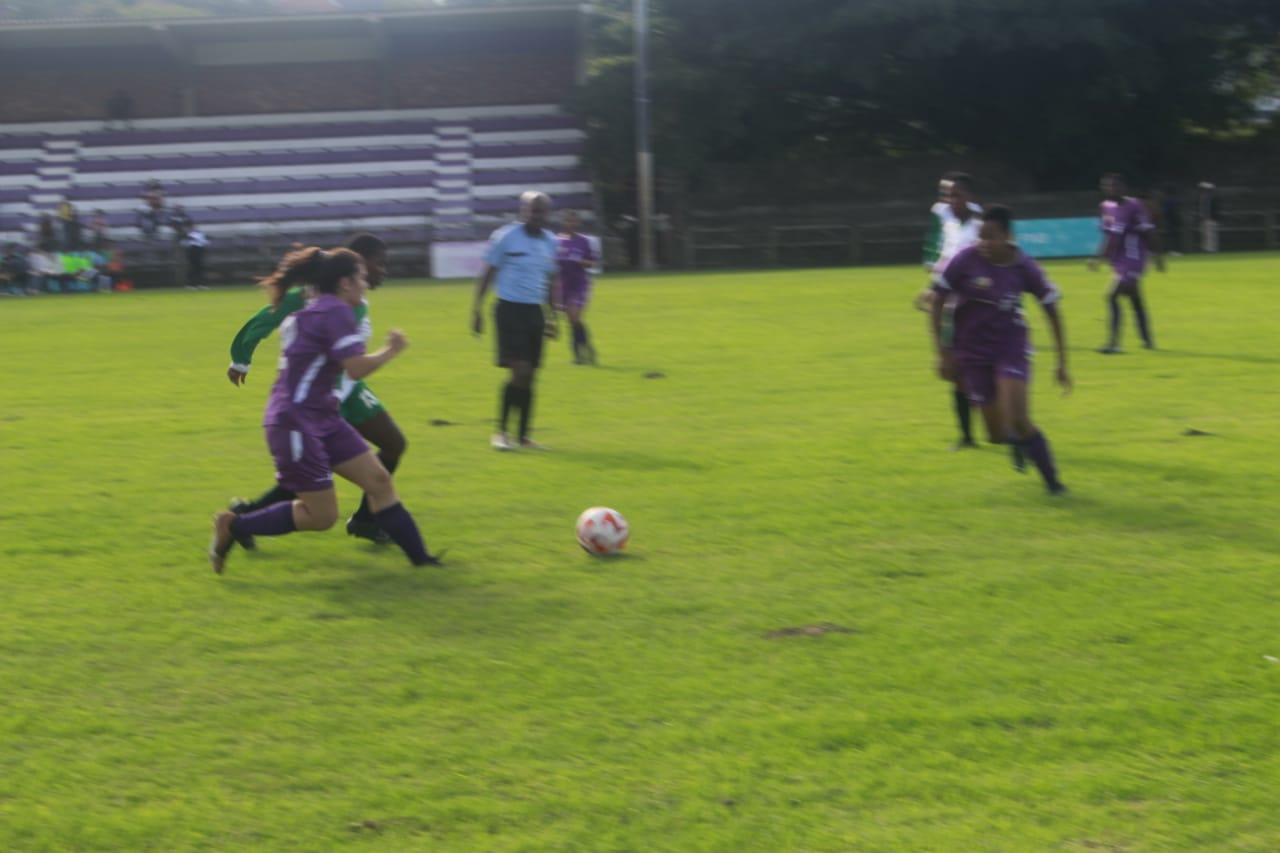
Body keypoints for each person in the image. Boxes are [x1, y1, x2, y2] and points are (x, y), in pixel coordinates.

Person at [208, 246, 442, 574]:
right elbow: (356, 368)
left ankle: (423, 562)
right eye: (360, 277)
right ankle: (234, 525)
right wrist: (392, 349)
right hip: (296, 422)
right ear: (345, 283)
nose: (365, 283)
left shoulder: (320, 308)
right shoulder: (334, 312)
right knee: (322, 517)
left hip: (324, 416)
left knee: (379, 481)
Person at [226, 233, 408, 546]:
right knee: (317, 469)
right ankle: (245, 518)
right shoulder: (314, 297)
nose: (382, 271)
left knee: (391, 445)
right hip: (327, 396)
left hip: (349, 387)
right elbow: (267, 317)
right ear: (355, 270)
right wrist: (240, 359)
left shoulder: (353, 298)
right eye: (378, 265)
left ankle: (365, 519)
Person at [932, 205, 1071, 494]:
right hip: (971, 351)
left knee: (1019, 417)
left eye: (990, 236)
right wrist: (943, 352)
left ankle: (1053, 483)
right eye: (980, 236)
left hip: (1010, 345)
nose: (983, 243)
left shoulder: (1024, 266)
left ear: (1008, 236)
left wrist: (1061, 363)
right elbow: (936, 301)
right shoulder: (965, 259)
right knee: (995, 435)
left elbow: (1052, 311)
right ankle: (1018, 442)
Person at [471, 191, 561, 451]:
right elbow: (488, 272)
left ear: (547, 214)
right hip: (509, 310)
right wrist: (476, 310)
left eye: (541, 211)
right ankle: (500, 432)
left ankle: (523, 437)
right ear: (523, 211)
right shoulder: (506, 237)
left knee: (531, 375)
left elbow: (552, 280)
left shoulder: (551, 242)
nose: (536, 216)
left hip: (535, 312)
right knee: (520, 371)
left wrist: (553, 317)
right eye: (532, 210)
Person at [916, 172, 983, 450]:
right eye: (947, 195)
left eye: (955, 195)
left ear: (968, 196)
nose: (950, 201)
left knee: (982, 368)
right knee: (955, 368)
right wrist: (931, 287)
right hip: (951, 305)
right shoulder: (949, 222)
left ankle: (1006, 425)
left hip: (978, 306)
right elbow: (945, 260)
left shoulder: (981, 224)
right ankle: (966, 437)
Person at [1089, 173, 1164, 353]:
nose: (1110, 189)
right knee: (1135, 299)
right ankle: (1148, 341)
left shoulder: (1134, 206)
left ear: (1124, 187)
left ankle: (1113, 343)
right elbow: (1108, 236)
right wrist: (1099, 258)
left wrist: (1158, 257)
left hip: (1134, 258)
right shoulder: (1106, 206)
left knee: (1112, 296)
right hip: (1118, 260)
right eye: (1107, 186)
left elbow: (1148, 232)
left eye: (1115, 186)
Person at [556, 209, 600, 364]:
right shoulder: (558, 241)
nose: (570, 223)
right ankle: (581, 353)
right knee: (571, 321)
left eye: (573, 221)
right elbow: (554, 263)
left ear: (578, 223)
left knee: (575, 317)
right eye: (567, 220)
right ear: (563, 222)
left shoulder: (584, 241)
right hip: (564, 286)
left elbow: (592, 262)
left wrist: (582, 262)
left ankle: (583, 351)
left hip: (579, 284)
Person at [1158, 184, 1184, 256]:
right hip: (1176, 220)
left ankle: (1173, 250)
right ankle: (1177, 250)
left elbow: (1167, 211)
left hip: (1171, 220)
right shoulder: (1175, 199)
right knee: (1176, 236)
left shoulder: (1168, 200)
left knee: (1172, 236)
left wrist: (1163, 215)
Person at [1197, 181, 1221, 253]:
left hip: (1210, 219)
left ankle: (1211, 250)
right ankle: (1206, 249)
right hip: (1205, 219)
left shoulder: (1211, 198)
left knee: (1210, 236)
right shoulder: (1203, 197)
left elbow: (1211, 209)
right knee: (1205, 236)